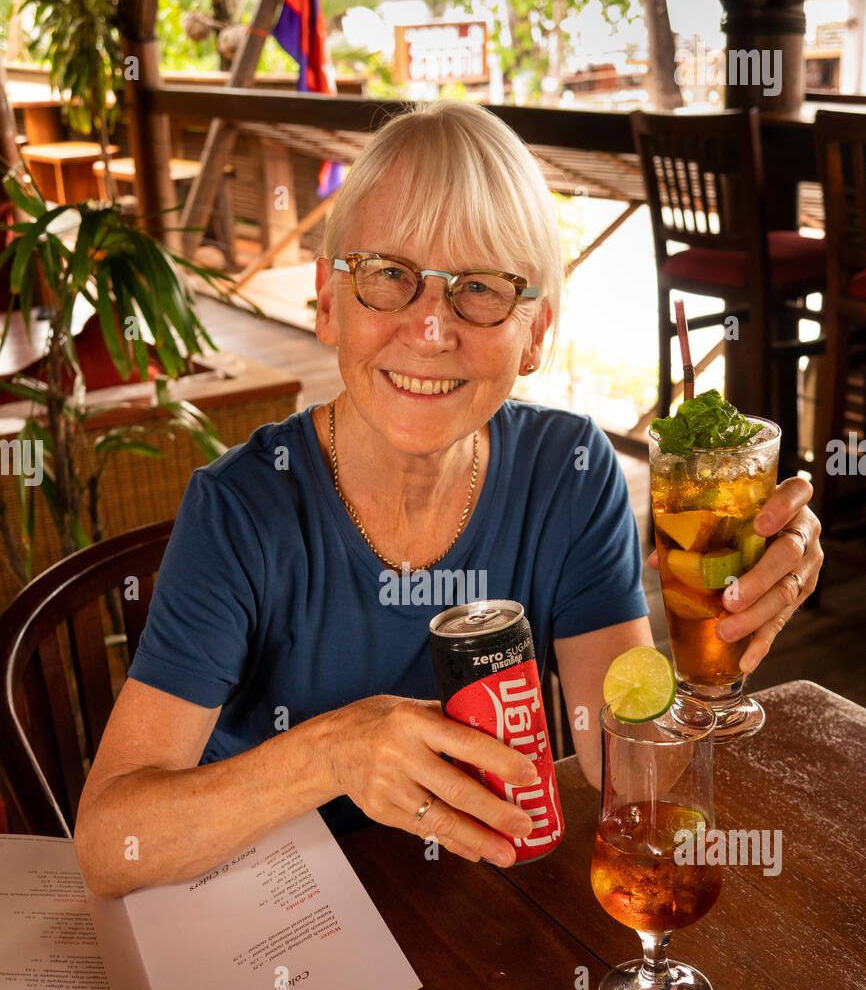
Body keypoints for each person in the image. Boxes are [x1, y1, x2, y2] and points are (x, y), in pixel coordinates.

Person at [73, 101, 823, 898]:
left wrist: (719, 654)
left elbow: (620, 771)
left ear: (536, 335)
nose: (430, 328)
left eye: (481, 289)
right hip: (270, 909)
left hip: (476, 902)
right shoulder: (239, 510)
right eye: (389, 275)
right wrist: (333, 752)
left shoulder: (571, 471)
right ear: (329, 303)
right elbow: (109, 843)